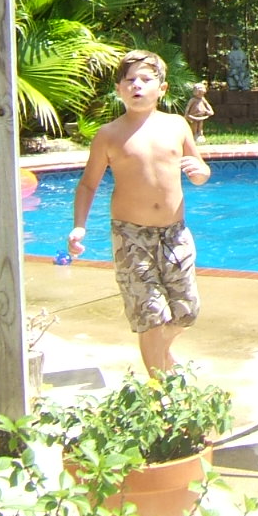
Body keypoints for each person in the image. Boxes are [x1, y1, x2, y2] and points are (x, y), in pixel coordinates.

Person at [68, 50, 211, 375]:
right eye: (130, 80)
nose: (137, 85)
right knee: (151, 315)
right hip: (131, 236)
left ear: (162, 89)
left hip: (175, 233)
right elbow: (88, 185)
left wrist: (200, 172)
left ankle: (162, 356)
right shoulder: (109, 135)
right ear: (119, 89)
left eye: (146, 79)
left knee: (186, 311)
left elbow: (200, 169)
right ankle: (159, 389)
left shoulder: (177, 125)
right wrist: (79, 227)